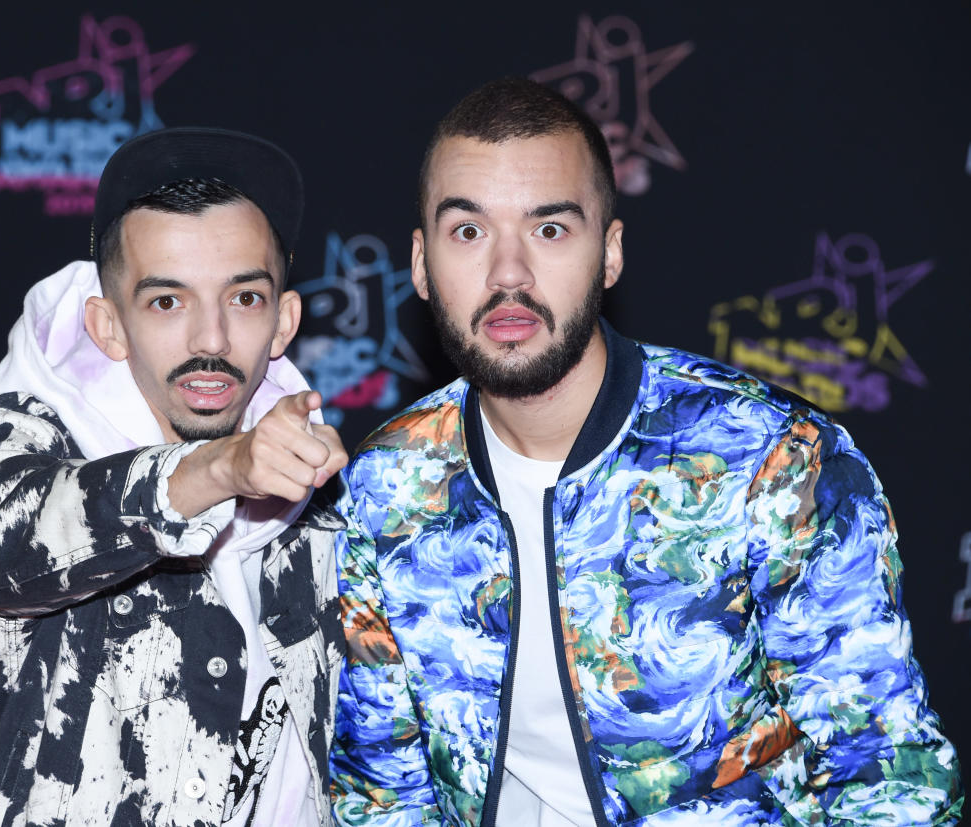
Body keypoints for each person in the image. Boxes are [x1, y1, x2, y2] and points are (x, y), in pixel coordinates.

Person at [330, 78, 963, 825]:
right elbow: (382, 795)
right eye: (468, 231)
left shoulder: (772, 461)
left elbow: (891, 780)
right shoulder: (384, 488)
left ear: (610, 253)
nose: (508, 275)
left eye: (550, 229)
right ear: (419, 262)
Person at [0, 127, 348, 826]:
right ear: (108, 324)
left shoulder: (318, 493)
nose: (209, 340)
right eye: (166, 301)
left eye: (243, 298)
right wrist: (221, 468)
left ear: (283, 322)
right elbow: (3, 546)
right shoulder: (5, 442)